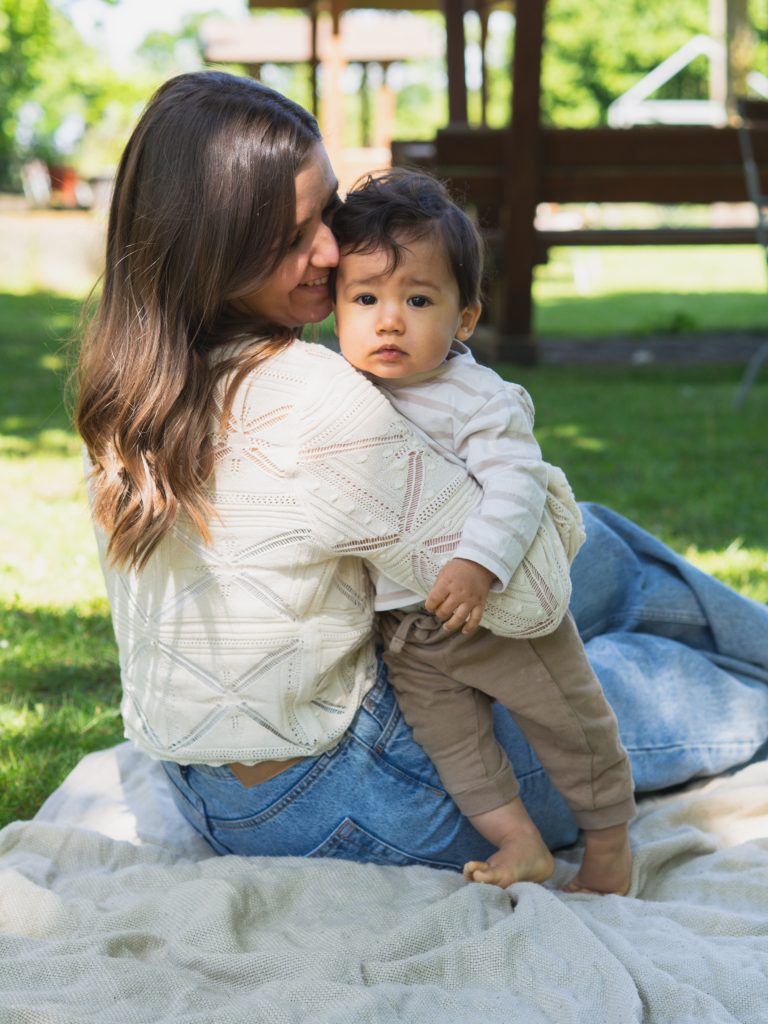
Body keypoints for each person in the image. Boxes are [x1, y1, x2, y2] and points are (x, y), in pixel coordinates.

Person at [76, 70, 768, 887]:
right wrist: (527, 468)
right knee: (631, 666)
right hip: (354, 793)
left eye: (328, 214)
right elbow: (534, 594)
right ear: (214, 242)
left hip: (202, 783)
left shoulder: (130, 380)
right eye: (295, 235)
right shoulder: (313, 397)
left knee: (603, 542)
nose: (333, 252)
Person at [331, 169, 635, 894]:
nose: (389, 320)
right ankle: (521, 843)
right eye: (365, 298)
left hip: (496, 612)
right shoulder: (339, 392)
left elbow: (515, 482)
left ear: (465, 318)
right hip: (410, 630)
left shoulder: (475, 396)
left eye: (418, 299)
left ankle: (610, 843)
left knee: (568, 722)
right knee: (455, 748)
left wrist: (479, 563)